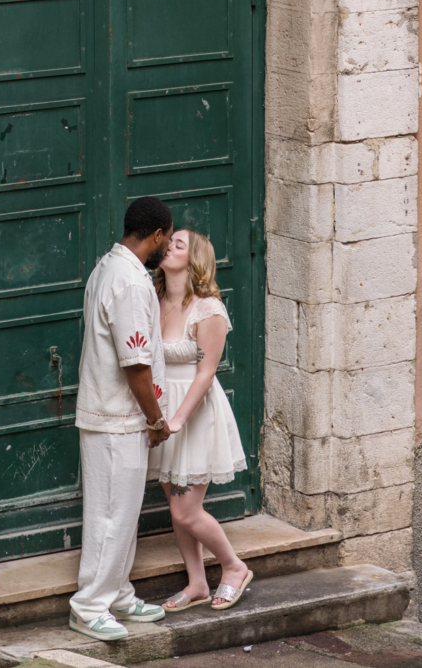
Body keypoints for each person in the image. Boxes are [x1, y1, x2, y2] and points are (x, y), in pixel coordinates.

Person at [68, 196, 174, 642]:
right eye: (166, 237)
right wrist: (155, 418)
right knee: (112, 515)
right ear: (156, 235)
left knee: (122, 512)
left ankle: (117, 593)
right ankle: (90, 604)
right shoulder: (130, 282)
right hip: (118, 418)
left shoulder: (106, 268)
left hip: (113, 416)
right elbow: (135, 364)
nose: (168, 244)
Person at [150, 228, 254, 611]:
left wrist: (176, 421)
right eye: (168, 241)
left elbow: (206, 372)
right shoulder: (155, 297)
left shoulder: (208, 309)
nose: (168, 247)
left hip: (193, 415)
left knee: (185, 510)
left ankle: (234, 567)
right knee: (174, 506)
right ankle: (196, 583)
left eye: (178, 244)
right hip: (162, 411)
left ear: (194, 260)